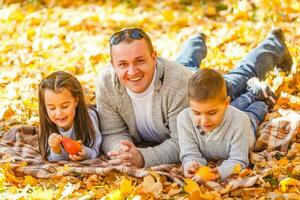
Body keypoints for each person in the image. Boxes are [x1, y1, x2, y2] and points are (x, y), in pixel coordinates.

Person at [95, 28, 292, 168]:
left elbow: (183, 141)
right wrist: (122, 152)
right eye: (122, 64)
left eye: (140, 60)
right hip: (178, 72)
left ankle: (274, 45)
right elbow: (111, 132)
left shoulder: (179, 83)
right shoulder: (107, 83)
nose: (132, 71)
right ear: (113, 65)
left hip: (200, 88)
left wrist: (142, 157)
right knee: (182, 64)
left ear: (153, 57)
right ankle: (195, 42)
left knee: (240, 76)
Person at [177, 68, 275, 181]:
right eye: (196, 113)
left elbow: (239, 159)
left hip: (247, 127)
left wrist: (222, 171)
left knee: (253, 113)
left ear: (226, 103)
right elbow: (189, 153)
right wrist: (192, 165)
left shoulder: (240, 121)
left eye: (211, 113)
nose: (204, 121)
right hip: (227, 114)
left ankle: (263, 100)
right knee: (237, 105)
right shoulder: (184, 119)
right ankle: (253, 92)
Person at [38, 71, 102, 161]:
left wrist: (84, 153)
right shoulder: (47, 125)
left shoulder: (89, 118)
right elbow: (51, 159)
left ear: (76, 100)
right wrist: (57, 150)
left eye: (65, 106)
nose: (59, 113)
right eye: (52, 108)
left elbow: (96, 151)